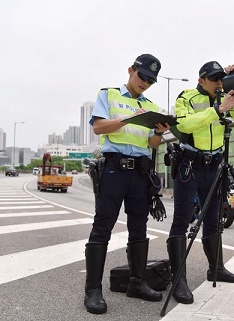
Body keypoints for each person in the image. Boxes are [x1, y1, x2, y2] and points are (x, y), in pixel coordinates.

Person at [84, 53, 170, 314]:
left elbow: (151, 145)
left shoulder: (150, 105)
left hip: (140, 173)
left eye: (150, 80)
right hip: (114, 170)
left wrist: (158, 132)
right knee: (103, 227)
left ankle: (137, 283)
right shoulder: (109, 95)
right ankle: (93, 291)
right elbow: (98, 128)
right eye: (142, 76)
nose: (145, 83)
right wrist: (127, 120)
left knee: (139, 228)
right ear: (131, 70)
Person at [167, 61, 234, 304]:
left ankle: (216, 268)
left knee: (214, 220)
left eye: (222, 78)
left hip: (215, 165)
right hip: (189, 165)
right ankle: (179, 280)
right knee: (182, 221)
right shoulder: (187, 96)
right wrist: (216, 111)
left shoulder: (226, 97)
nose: (219, 82)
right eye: (214, 78)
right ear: (201, 80)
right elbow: (182, 125)